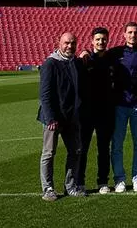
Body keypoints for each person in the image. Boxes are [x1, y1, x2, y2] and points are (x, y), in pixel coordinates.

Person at [38, 32, 84, 201]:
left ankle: (70, 186)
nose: (69, 46)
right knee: (49, 153)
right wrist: (50, 118)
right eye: (66, 43)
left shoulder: (76, 63)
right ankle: (48, 188)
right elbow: (45, 94)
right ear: (59, 43)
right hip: (53, 119)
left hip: (71, 117)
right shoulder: (50, 63)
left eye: (73, 43)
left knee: (76, 151)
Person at [109, 21, 137, 193]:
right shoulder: (115, 53)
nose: (133, 35)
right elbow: (97, 54)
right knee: (117, 144)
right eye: (130, 32)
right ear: (124, 34)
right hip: (119, 104)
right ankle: (119, 179)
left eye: (136, 32)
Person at [77, 27, 114, 195]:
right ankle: (79, 182)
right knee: (82, 148)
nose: (101, 42)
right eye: (98, 39)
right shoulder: (84, 60)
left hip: (106, 111)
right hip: (86, 112)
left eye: (104, 39)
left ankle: (103, 181)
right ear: (92, 41)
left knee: (103, 148)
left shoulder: (112, 59)